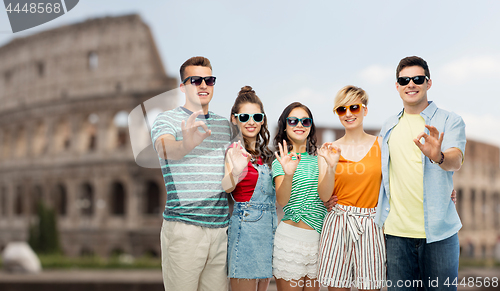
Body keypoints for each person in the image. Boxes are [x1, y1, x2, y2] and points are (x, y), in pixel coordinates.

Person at [374, 56, 466, 291]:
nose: (410, 84)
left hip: (439, 234)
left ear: (428, 83)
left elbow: (455, 159)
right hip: (396, 235)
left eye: (417, 79)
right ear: (397, 86)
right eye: (404, 80)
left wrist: (438, 156)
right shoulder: (388, 127)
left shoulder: (449, 120)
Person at [150, 56, 232, 291]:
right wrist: (186, 144)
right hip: (185, 230)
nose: (203, 85)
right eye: (195, 80)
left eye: (209, 80)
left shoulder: (224, 126)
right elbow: (165, 149)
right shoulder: (167, 119)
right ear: (183, 86)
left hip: (220, 232)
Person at [316, 85, 386, 291]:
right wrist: (330, 166)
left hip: (372, 225)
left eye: (354, 107)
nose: (348, 114)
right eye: (341, 109)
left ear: (365, 110)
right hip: (338, 222)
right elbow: (324, 195)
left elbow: (399, 181)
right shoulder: (328, 149)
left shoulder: (381, 145)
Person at [221, 86, 277, 291]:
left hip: (269, 229)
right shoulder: (234, 150)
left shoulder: (267, 156)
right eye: (244, 116)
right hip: (246, 229)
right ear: (234, 119)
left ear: (263, 119)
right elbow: (227, 187)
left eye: (256, 116)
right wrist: (235, 171)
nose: (251, 121)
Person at [272, 102, 327, 291]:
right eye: (293, 120)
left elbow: (325, 195)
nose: (299, 125)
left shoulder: (321, 159)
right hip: (290, 242)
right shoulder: (281, 159)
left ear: (311, 126)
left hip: (318, 242)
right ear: (285, 126)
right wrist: (288, 173)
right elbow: (282, 200)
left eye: (305, 121)